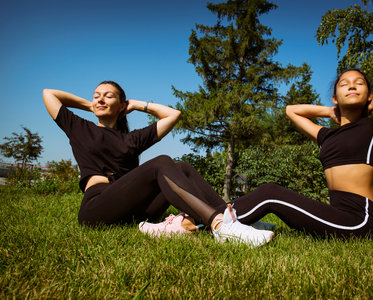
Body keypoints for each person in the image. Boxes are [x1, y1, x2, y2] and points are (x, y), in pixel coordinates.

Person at [42, 81, 274, 247]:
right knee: (161, 161)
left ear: (122, 105)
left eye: (108, 96)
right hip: (98, 207)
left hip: (134, 210)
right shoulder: (80, 128)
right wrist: (90, 105)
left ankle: (235, 219)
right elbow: (49, 94)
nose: (100, 99)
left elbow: (173, 114)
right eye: (96, 95)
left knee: (182, 166)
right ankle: (220, 227)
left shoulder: (131, 139)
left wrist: (137, 104)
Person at [212, 70, 373, 239]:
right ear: (335, 97)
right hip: (335, 213)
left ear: (370, 94)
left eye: (359, 83)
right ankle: (208, 219)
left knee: (271, 192)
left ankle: (208, 223)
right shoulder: (326, 136)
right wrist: (329, 111)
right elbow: (291, 110)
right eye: (344, 84)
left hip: (359, 221)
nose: (352, 86)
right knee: (264, 191)